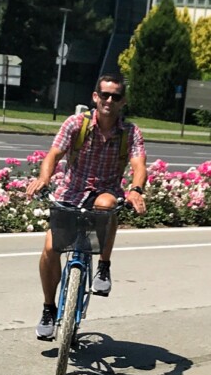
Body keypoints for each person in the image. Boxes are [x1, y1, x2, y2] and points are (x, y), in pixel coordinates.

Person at [24, 74, 147, 340]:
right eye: (104, 95)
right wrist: (44, 178)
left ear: (123, 101)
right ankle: (48, 308)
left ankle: (103, 264)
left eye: (115, 96)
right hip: (71, 192)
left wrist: (136, 190)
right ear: (95, 97)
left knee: (108, 205)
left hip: (106, 191)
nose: (109, 101)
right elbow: (54, 154)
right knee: (49, 248)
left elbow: (138, 164)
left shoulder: (131, 132)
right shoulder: (75, 124)